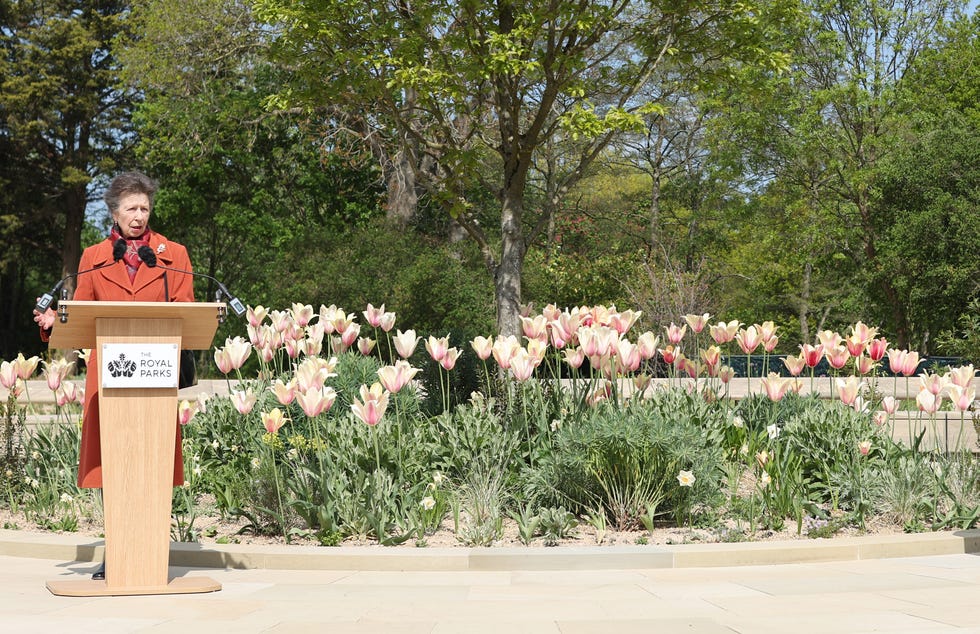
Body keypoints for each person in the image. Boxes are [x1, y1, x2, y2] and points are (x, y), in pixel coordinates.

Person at [33, 171, 195, 580]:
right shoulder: (92, 257)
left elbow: (188, 313)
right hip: (110, 381)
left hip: (155, 379)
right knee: (117, 466)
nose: (139, 216)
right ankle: (119, 550)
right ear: (115, 212)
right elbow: (79, 317)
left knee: (151, 463)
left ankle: (151, 552)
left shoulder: (174, 254)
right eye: (131, 209)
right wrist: (54, 322)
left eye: (145, 208)